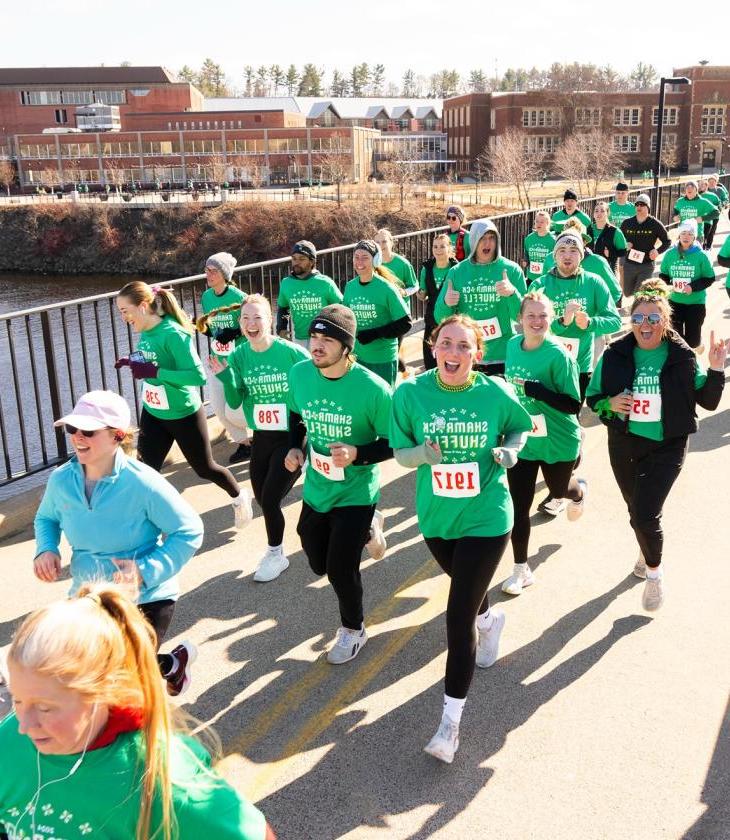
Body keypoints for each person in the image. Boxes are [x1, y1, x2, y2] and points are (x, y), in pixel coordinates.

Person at [1, 585, 275, 839]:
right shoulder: (9, 740)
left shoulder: (163, 780)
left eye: (45, 708)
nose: (24, 725)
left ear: (104, 690)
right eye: (19, 701)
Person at [390, 314, 532, 763]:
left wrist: (510, 449)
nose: (454, 353)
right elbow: (400, 454)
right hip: (437, 518)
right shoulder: (410, 393)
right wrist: (423, 454)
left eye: (464, 347)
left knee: (456, 615)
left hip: (488, 515)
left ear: (477, 353)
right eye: (446, 344)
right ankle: (491, 621)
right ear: (433, 346)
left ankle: (450, 725)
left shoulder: (495, 392)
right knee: (470, 595)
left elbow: (519, 426)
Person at [33, 390, 203, 697]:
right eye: (73, 429)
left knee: (119, 683)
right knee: (87, 672)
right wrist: (46, 549)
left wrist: (144, 570)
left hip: (146, 596)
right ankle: (171, 665)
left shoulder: (143, 483)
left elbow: (189, 530)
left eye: (88, 431)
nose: (77, 437)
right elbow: (46, 519)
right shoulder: (61, 481)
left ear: (117, 436)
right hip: (87, 595)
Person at [586, 280, 727, 611]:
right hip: (624, 443)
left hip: (668, 445)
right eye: (638, 319)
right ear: (630, 322)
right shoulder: (614, 356)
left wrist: (718, 370)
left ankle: (654, 574)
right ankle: (644, 545)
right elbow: (593, 399)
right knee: (636, 510)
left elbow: (707, 400)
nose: (644, 325)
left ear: (665, 321)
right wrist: (610, 403)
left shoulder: (681, 357)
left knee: (646, 513)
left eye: (653, 319)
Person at [285, 304, 393, 665]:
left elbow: (395, 442)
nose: (316, 345)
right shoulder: (300, 374)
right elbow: (297, 417)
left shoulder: (373, 389)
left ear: (346, 347)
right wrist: (294, 447)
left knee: (340, 570)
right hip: (317, 487)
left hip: (356, 491)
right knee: (316, 561)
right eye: (314, 337)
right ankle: (368, 534)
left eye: (327, 340)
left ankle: (353, 629)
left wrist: (358, 454)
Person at [115, 281, 251, 530]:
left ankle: (239, 496)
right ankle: (147, 525)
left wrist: (156, 371)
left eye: (125, 311)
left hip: (183, 414)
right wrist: (134, 361)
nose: (123, 317)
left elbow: (196, 376)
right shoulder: (145, 330)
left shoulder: (173, 334)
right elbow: (153, 359)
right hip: (154, 412)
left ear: (143, 306)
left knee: (205, 468)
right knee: (146, 470)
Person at [209, 295, 309, 582]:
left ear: (269, 320)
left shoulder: (291, 353)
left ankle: (275, 554)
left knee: (270, 498)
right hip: (262, 436)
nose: (251, 324)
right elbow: (236, 398)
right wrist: (227, 378)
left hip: (293, 432)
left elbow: (316, 382)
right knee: (263, 496)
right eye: (245, 319)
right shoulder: (239, 356)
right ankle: (367, 521)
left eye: (258, 317)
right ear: (240, 324)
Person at [529, 231, 621, 516]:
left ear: (581, 255)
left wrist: (589, 321)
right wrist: (560, 321)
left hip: (577, 367)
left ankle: (560, 490)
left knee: (566, 419)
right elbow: (526, 321)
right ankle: (562, 476)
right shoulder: (541, 284)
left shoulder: (593, 283)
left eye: (573, 251)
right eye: (562, 251)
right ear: (554, 255)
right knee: (544, 421)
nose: (567, 255)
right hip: (542, 366)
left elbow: (615, 319)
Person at [503, 293, 586, 596]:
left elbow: (573, 403)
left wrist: (538, 390)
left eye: (543, 316)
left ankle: (578, 492)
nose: (537, 322)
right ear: (520, 319)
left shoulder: (558, 355)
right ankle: (520, 569)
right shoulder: (512, 345)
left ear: (551, 319)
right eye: (531, 316)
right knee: (518, 506)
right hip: (524, 439)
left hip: (558, 437)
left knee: (561, 490)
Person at [433, 218, 527, 376]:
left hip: (502, 355)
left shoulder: (512, 270)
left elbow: (522, 318)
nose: (487, 243)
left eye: (491, 238)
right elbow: (440, 318)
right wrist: (446, 303)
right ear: (474, 240)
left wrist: (512, 294)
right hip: (468, 356)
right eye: (482, 238)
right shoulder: (457, 272)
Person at [196, 252, 251, 464]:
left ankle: (252, 441)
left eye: (213, 271)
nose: (208, 274)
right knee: (219, 407)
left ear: (224, 274)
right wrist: (206, 329)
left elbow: (253, 326)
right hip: (217, 360)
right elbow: (210, 325)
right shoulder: (206, 297)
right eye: (207, 270)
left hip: (238, 360)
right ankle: (245, 443)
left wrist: (235, 332)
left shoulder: (239, 298)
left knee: (238, 406)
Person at [342, 240, 412, 387]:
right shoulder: (350, 287)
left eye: (365, 257)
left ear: (376, 260)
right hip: (357, 357)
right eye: (356, 257)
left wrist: (374, 334)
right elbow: (347, 319)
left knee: (383, 404)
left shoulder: (386, 288)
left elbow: (405, 323)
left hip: (383, 359)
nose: (359, 261)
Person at [659, 220, 715, 351]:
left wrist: (692, 287)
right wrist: (669, 284)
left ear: (694, 237)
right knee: (675, 338)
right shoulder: (670, 254)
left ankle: (696, 346)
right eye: (683, 233)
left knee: (692, 341)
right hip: (674, 302)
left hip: (696, 303)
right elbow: (663, 275)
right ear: (679, 235)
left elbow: (710, 278)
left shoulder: (701, 255)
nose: (686, 237)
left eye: (690, 234)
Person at [276, 240, 343, 348]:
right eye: (294, 259)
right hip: (299, 339)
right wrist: (281, 328)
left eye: (302, 259)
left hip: (324, 338)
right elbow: (283, 308)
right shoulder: (286, 283)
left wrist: (335, 332)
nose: (296, 262)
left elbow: (341, 308)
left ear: (312, 262)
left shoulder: (325, 283)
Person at [542, 218, 622, 305]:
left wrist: (597, 311)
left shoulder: (598, 262)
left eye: (576, 240)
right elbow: (542, 288)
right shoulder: (550, 259)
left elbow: (615, 291)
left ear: (584, 241)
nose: (571, 244)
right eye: (567, 239)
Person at [374, 228, 419, 377]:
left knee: (393, 348)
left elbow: (415, 285)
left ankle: (399, 374)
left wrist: (405, 292)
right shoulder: (374, 264)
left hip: (399, 315)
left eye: (384, 241)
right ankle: (404, 371)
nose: (381, 245)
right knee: (386, 347)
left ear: (391, 242)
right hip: (381, 313)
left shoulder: (402, 263)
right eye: (378, 242)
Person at [417, 233, 458, 369]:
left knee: (449, 357)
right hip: (431, 319)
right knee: (430, 358)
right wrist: (420, 294)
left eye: (442, 246)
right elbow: (423, 293)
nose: (438, 250)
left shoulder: (456, 268)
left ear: (449, 249)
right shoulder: (427, 268)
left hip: (451, 319)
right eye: (435, 246)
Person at [620, 193, 671, 299]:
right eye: (637, 204)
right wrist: (624, 245)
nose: (639, 207)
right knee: (627, 292)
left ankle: (637, 311)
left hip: (646, 265)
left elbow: (667, 241)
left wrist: (657, 251)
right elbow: (618, 240)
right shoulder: (627, 223)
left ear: (648, 207)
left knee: (639, 293)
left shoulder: (655, 224)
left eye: (642, 204)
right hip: (629, 263)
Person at [587, 200, 628, 276]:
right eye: (596, 211)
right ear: (593, 214)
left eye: (602, 211)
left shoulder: (615, 231)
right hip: (591, 270)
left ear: (607, 213)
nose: (599, 213)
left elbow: (624, 252)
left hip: (608, 270)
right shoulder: (589, 229)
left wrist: (611, 253)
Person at [672, 180, 716, 248]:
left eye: (692, 188)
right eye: (687, 188)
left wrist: (703, 218)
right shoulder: (680, 201)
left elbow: (716, 212)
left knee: (696, 256)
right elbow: (675, 210)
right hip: (682, 234)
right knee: (682, 256)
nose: (689, 189)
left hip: (697, 235)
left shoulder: (703, 201)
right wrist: (675, 216)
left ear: (696, 190)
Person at [522, 209, 556, 287]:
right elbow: (526, 254)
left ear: (547, 223)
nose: (538, 224)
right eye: (537, 221)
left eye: (541, 222)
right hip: (531, 278)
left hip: (547, 278)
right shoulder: (529, 239)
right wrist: (526, 261)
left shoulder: (553, 240)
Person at [697, 178, 722, 251]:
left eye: (703, 184)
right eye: (699, 184)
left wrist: (713, 214)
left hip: (707, 220)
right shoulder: (695, 195)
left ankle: (706, 249)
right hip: (696, 221)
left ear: (706, 186)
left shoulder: (713, 196)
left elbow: (719, 206)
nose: (701, 186)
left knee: (705, 237)